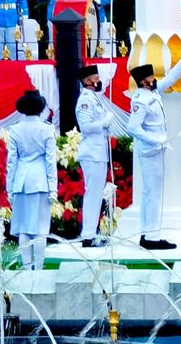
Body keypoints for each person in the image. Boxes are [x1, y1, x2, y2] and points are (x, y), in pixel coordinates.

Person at [126, 51, 181, 250]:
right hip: (150, 151)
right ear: (143, 81)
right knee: (152, 194)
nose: (155, 80)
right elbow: (132, 128)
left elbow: (171, 77)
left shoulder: (152, 93)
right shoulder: (141, 100)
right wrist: (155, 140)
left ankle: (148, 233)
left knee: (151, 193)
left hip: (155, 149)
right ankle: (152, 236)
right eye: (151, 78)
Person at [6, 90, 58, 270]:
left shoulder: (15, 130)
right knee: (40, 229)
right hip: (40, 181)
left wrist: (9, 188)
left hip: (21, 181)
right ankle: (39, 269)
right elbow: (50, 161)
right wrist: (54, 188)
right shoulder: (47, 129)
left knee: (24, 228)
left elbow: (11, 162)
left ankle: (27, 269)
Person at [75, 64, 114, 248]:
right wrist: (103, 122)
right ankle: (88, 235)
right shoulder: (85, 100)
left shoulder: (94, 98)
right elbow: (86, 127)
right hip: (91, 152)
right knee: (93, 194)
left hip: (98, 152)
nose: (98, 82)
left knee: (97, 194)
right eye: (96, 79)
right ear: (87, 81)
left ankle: (92, 232)